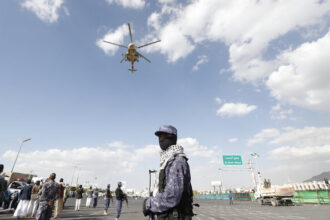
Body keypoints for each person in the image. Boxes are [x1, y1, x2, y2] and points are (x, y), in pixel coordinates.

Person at [143, 125, 194, 220]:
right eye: (159, 136)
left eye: (164, 135)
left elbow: (172, 197)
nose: (161, 139)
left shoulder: (177, 161)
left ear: (173, 137)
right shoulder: (167, 160)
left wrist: (148, 204)